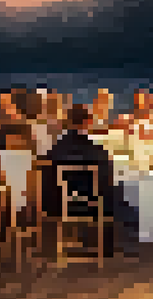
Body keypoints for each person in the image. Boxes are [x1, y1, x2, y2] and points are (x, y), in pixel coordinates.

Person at [40, 104, 119, 256]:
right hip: (87, 205)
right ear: (87, 122)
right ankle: (106, 245)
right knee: (112, 193)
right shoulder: (95, 151)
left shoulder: (55, 148)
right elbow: (106, 182)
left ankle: (87, 237)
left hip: (55, 205)